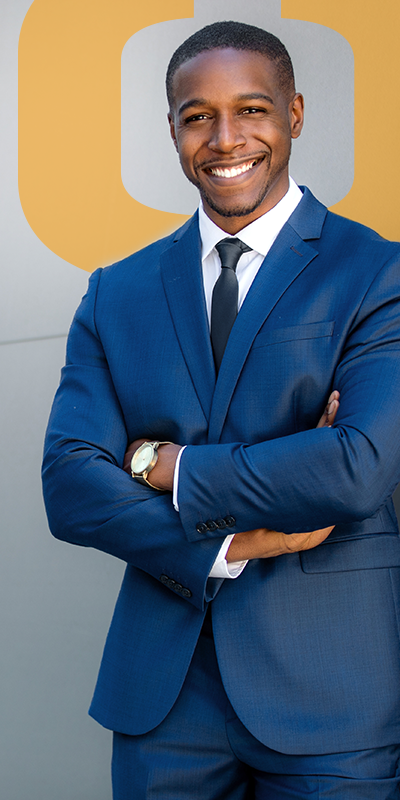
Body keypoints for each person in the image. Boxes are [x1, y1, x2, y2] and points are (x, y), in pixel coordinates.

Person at [42, 20, 400, 800]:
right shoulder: (118, 292)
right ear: (171, 129)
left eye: (252, 110)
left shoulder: (376, 272)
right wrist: (233, 539)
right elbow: (69, 486)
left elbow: (357, 468)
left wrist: (164, 466)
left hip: (332, 701)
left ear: (295, 114)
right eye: (197, 115)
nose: (225, 138)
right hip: (164, 705)